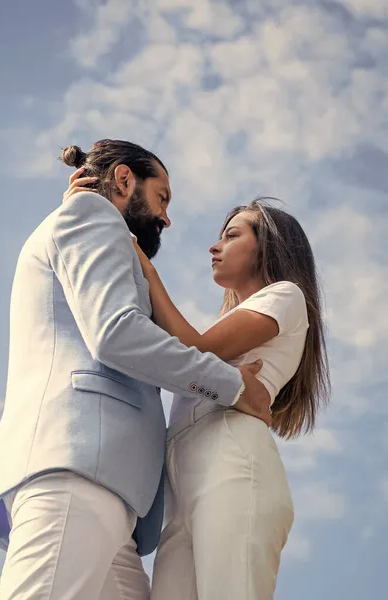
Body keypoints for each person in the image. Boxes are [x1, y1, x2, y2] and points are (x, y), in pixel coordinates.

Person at [0, 139, 271, 600]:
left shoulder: (86, 223)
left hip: (109, 495)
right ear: (125, 179)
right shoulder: (92, 216)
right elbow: (116, 334)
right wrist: (231, 384)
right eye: (162, 197)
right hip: (77, 471)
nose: (166, 217)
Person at [131, 200, 330, 600]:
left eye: (232, 235)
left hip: (234, 469)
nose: (214, 246)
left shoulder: (285, 296)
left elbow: (192, 349)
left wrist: (145, 268)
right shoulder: (234, 318)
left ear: (267, 247)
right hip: (183, 492)